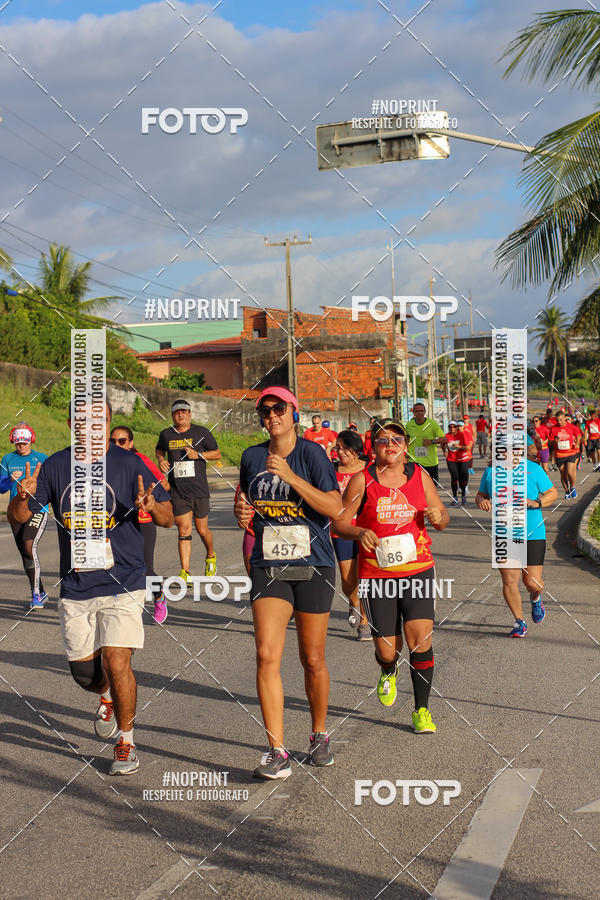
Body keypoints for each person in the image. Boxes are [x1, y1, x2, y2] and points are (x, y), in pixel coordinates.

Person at [7, 401, 173, 774]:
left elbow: (167, 517)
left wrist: (151, 507)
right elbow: (17, 518)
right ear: (71, 424)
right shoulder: (54, 466)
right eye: (83, 422)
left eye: (100, 421)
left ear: (109, 423)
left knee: (117, 661)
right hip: (77, 586)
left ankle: (126, 743)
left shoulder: (131, 465)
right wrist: (20, 498)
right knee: (85, 674)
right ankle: (105, 697)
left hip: (124, 581)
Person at [235, 387, 341, 779]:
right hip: (269, 564)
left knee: (311, 658)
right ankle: (276, 750)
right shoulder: (250, 457)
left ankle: (318, 733)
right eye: (265, 410)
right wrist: (240, 510)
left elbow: (333, 507)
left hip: (313, 563)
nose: (271, 415)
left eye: (279, 408)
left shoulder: (312, 454)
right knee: (265, 654)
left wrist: (292, 477)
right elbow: (244, 502)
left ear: (294, 412)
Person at [336, 419, 449, 734]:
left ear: (406, 445)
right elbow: (338, 523)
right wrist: (359, 531)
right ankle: (388, 670)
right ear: (373, 446)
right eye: (383, 439)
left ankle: (421, 710)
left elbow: (441, 518)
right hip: (376, 575)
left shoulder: (420, 476)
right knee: (388, 650)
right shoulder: (363, 481)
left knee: (420, 640)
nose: (391, 444)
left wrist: (439, 517)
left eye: (397, 438)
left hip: (418, 570)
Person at [476, 441, 558, 637]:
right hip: (504, 532)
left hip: (533, 532)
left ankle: (536, 598)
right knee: (508, 579)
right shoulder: (491, 472)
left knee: (532, 583)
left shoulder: (533, 469)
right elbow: (480, 495)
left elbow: (552, 493)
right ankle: (519, 621)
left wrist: (537, 502)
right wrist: (483, 501)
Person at [156, 399, 221, 582]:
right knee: (184, 530)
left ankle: (210, 555)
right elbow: (159, 450)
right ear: (172, 416)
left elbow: (216, 453)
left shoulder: (201, 432)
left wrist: (198, 454)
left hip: (199, 490)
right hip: (178, 491)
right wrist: (161, 460)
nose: (181, 415)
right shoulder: (166, 434)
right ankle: (185, 572)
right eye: (177, 412)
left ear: (190, 414)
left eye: (184, 411)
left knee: (202, 530)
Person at [110, 426, 170, 625]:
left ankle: (159, 598)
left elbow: (164, 486)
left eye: (122, 441)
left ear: (131, 443)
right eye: (113, 441)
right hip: (115, 522)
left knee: (145, 568)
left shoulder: (140, 461)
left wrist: (150, 499)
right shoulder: (105, 462)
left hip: (142, 521)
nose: (117, 445)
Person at [1, 422, 48, 608]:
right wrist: (10, 479)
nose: (21, 446)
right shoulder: (7, 460)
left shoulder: (42, 459)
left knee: (29, 545)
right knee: (25, 554)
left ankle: (36, 595)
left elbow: (51, 486)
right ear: (13, 441)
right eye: (18, 443)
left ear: (31, 440)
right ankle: (40, 590)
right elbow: (1, 488)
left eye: (25, 442)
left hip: (37, 509)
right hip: (16, 512)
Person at [330, 429, 370, 641]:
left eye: (345, 448)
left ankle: (365, 620)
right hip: (341, 531)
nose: (340, 452)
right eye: (338, 448)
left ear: (356, 450)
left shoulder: (369, 469)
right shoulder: (331, 470)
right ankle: (353, 602)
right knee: (347, 580)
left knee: (365, 575)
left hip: (366, 530)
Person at [405, 402, 445, 486]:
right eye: (417, 411)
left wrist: (431, 441)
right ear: (414, 412)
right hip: (414, 461)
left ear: (425, 412)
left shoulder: (432, 424)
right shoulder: (409, 425)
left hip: (430, 462)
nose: (419, 413)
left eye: (421, 411)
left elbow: (444, 439)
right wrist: (405, 450)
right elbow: (406, 439)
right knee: (416, 486)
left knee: (431, 487)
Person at [549, 409, 582, 498]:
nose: (559, 422)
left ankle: (572, 487)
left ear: (564, 418)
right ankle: (567, 491)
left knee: (570, 472)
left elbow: (578, 434)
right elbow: (550, 442)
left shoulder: (571, 427)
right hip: (559, 454)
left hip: (570, 452)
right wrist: (555, 441)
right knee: (563, 473)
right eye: (557, 420)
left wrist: (578, 443)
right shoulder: (553, 428)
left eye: (560, 420)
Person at [443, 421, 472, 506]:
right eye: (450, 427)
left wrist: (458, 446)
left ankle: (463, 496)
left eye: (454, 426)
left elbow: (468, 447)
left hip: (462, 459)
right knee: (454, 477)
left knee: (463, 478)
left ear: (456, 427)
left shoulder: (462, 435)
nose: (452, 428)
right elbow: (443, 444)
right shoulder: (447, 436)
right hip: (451, 459)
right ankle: (455, 497)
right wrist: (444, 450)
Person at [234, 482, 255, 575]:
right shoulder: (249, 478)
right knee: (256, 583)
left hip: (286, 536)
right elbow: (237, 507)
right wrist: (240, 516)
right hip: (253, 534)